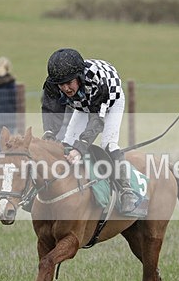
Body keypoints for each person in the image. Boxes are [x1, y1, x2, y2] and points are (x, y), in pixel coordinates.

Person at [43, 47, 139, 213]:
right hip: (82, 103)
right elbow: (51, 111)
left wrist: (80, 149)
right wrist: (49, 135)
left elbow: (96, 121)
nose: (65, 88)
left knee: (108, 145)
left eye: (69, 83)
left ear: (79, 77)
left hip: (109, 100)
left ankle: (126, 190)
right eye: (61, 84)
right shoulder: (52, 85)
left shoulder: (96, 81)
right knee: (66, 144)